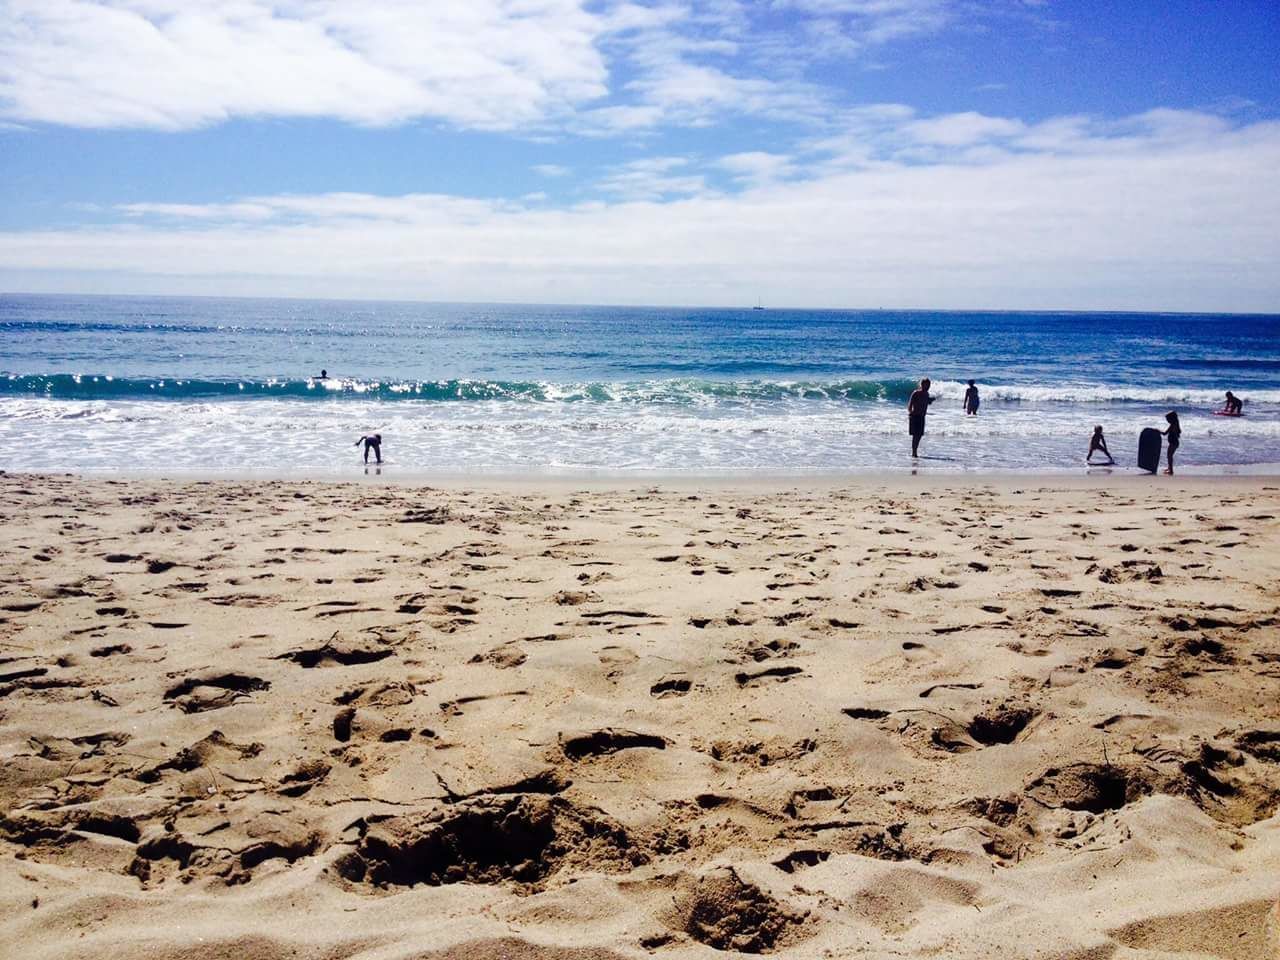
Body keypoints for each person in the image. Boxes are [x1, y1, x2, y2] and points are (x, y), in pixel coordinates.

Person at [907, 378, 935, 457]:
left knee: (919, 435)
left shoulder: (927, 394)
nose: (928, 386)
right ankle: (914, 452)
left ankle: (915, 451)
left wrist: (931, 400)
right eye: (926, 384)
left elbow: (927, 403)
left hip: (922, 416)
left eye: (929, 385)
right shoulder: (916, 393)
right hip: (915, 415)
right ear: (922, 384)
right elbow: (910, 404)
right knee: (915, 435)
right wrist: (910, 412)